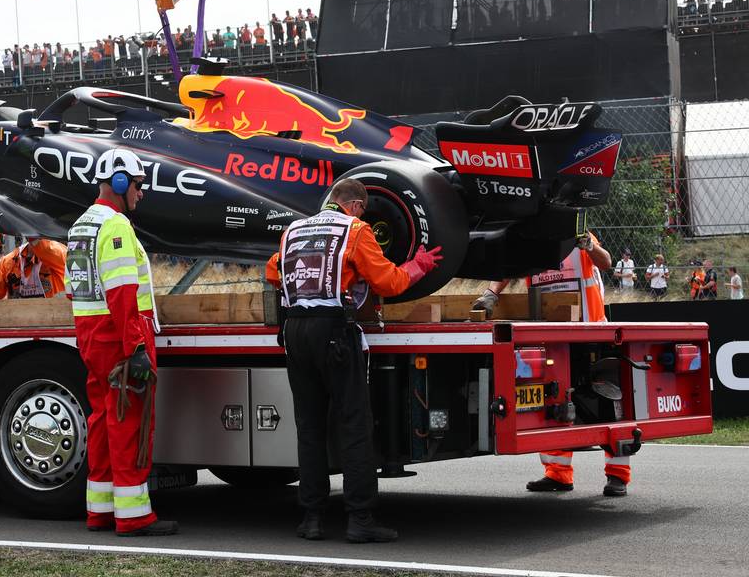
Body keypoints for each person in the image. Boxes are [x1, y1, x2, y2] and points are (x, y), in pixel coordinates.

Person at [264, 178, 442, 544]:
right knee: (353, 425)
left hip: (295, 333)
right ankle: (360, 518)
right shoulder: (356, 230)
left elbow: (272, 273)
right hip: (333, 332)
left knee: (309, 427)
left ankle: (312, 518)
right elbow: (389, 283)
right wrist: (419, 265)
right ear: (357, 206)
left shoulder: (293, 231)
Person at [65, 148, 177, 537]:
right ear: (118, 182)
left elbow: (75, 293)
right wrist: (136, 348)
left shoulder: (80, 226)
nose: (141, 193)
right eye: (138, 184)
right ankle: (133, 516)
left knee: (100, 419)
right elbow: (123, 294)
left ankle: (99, 511)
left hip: (90, 336)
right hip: (119, 337)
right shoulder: (115, 226)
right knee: (128, 421)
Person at [474, 232, 629, 496]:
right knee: (552, 405)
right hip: (552, 338)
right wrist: (491, 293)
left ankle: (617, 476)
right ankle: (558, 474)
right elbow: (509, 269)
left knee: (608, 407)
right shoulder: (530, 242)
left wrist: (590, 246)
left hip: (591, 333)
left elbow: (605, 262)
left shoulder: (578, 235)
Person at [0, 236, 67, 299]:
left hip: (54, 321)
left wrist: (33, 236)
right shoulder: (9, 262)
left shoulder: (59, 254)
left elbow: (46, 250)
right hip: (18, 322)